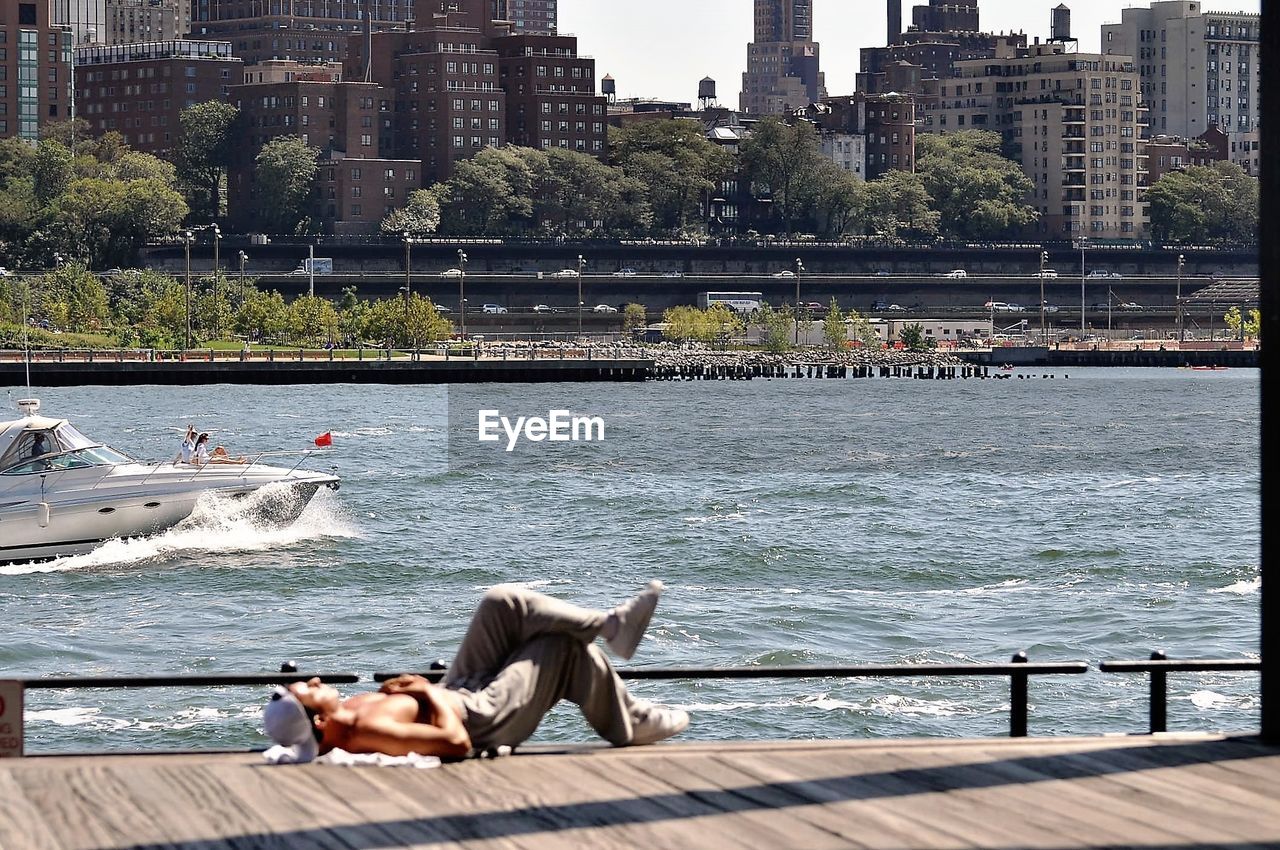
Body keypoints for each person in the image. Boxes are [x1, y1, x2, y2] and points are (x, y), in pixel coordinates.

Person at [263, 582, 688, 763]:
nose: (316, 681)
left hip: (457, 688)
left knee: (500, 602)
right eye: (309, 690)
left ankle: (611, 626)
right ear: (318, 720)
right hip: (479, 715)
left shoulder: (351, 714)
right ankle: (627, 722)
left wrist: (428, 690)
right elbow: (455, 742)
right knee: (559, 648)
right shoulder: (362, 732)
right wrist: (425, 693)